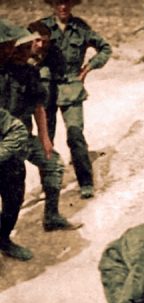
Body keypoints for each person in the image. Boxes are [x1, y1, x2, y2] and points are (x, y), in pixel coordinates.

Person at [1, 26, 81, 233]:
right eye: (21, 48)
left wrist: (45, 138)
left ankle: (51, 216)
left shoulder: (29, 72)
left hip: (24, 136)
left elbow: (38, 107)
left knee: (53, 164)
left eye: (28, 48)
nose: (26, 52)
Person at [39, 0, 112, 199]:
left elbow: (105, 48)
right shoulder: (41, 27)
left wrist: (87, 69)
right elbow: (27, 53)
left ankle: (86, 182)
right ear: (53, 5)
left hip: (71, 86)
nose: (62, 7)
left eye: (66, 2)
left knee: (75, 135)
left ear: (71, 5)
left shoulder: (81, 27)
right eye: (58, 3)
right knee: (47, 138)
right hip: (47, 89)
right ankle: (48, 185)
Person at [0, 19, 39, 261]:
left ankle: (3, 239)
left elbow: (38, 105)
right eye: (3, 45)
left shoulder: (23, 71)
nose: (8, 49)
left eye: (10, 44)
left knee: (14, 198)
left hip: (12, 146)